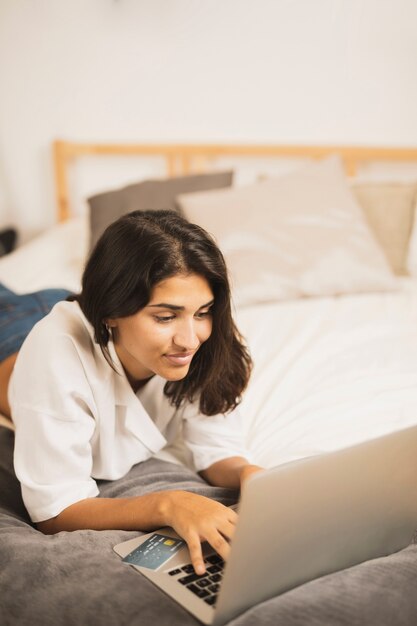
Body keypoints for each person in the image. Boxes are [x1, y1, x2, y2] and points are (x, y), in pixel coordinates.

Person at [0, 209, 262, 575]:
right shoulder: (54, 354)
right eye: (165, 317)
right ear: (111, 311)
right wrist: (168, 505)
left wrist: (250, 474)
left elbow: (216, 450)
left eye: (202, 311)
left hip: (87, 311)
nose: (190, 340)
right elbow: (55, 511)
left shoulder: (208, 340)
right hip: (10, 335)